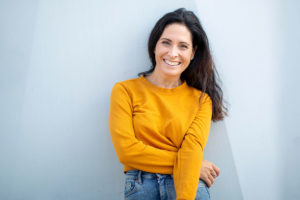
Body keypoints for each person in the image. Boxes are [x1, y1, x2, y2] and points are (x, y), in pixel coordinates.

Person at [109, 8, 226, 200]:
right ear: (155, 45)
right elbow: (127, 152)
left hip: (188, 185)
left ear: (193, 52)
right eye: (166, 42)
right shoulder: (124, 91)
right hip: (141, 184)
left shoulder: (202, 100)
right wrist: (194, 165)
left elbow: (192, 149)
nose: (173, 53)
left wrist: (191, 165)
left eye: (183, 46)